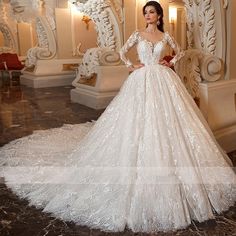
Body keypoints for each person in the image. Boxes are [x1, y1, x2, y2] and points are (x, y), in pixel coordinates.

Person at [0, 1, 235, 233]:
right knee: (135, 121)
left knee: (170, 122)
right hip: (141, 79)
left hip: (163, 79)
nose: (148, 16)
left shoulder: (165, 37)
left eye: (151, 12)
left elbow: (180, 52)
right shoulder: (138, 33)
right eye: (145, 12)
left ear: (159, 15)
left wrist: (169, 62)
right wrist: (131, 66)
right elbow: (122, 51)